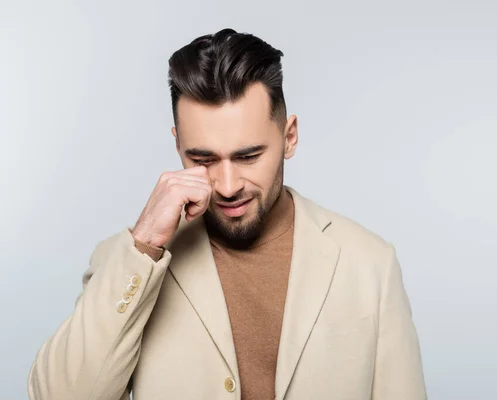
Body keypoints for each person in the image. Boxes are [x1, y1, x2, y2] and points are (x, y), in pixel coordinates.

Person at [28, 28, 426, 400]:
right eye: (202, 159)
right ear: (178, 145)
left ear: (289, 137)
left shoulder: (370, 263)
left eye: (248, 156)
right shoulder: (130, 260)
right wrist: (145, 243)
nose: (228, 184)